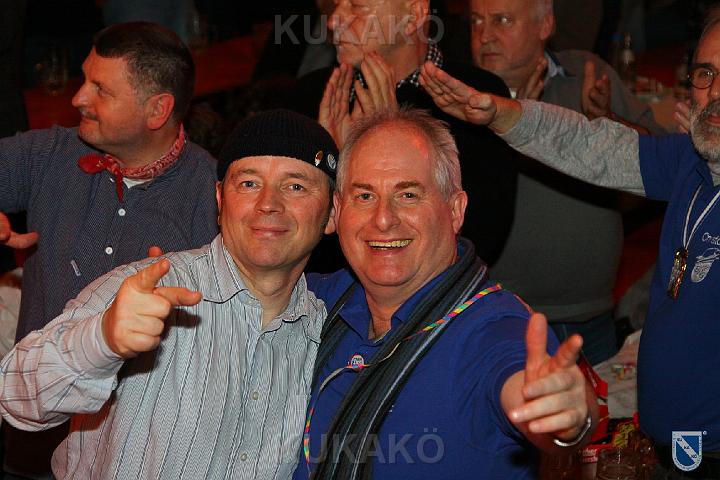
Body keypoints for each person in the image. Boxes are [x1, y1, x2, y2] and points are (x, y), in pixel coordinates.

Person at [420, 15, 720, 476]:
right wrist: (501, 113)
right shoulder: (691, 161)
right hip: (674, 448)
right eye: (706, 72)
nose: (714, 91)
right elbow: (591, 146)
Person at [0, 109, 339, 479]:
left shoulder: (326, 337)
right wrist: (102, 340)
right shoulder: (149, 286)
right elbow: (15, 394)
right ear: (220, 199)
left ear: (333, 212)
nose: (268, 203)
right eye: (248, 183)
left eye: (295, 186)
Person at [295, 108, 598, 479]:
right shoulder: (322, 296)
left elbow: (520, 380)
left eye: (408, 194)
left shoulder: (492, 327)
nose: (384, 219)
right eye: (365, 196)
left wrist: (565, 415)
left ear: (455, 210)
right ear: (338, 211)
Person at [0, 22, 219, 479]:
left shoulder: (214, 195)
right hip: (31, 444)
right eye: (85, 79)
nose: (78, 98)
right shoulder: (49, 154)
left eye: (101, 89)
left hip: (137, 458)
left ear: (157, 110)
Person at [468, 0, 665, 364]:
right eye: (476, 21)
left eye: (502, 20)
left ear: (545, 25)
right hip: (499, 317)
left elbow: (663, 164)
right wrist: (515, 123)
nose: (484, 35)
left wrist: (609, 122)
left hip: (592, 317)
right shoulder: (460, 97)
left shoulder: (585, 74)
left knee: (607, 402)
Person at [289, 0, 519, 271]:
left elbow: (483, 238)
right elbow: (292, 243)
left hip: (435, 293)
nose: (334, 20)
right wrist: (333, 167)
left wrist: (389, 140)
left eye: (357, 6)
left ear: (413, 15)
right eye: (336, 5)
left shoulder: (473, 96)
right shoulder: (312, 94)